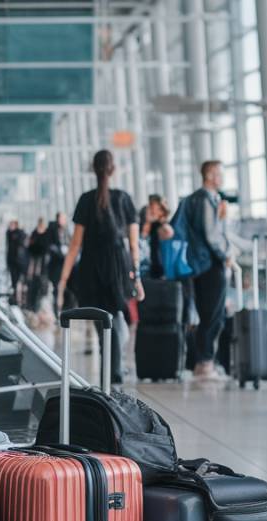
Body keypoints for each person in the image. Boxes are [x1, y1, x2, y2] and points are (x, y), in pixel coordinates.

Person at [58, 150, 143, 384]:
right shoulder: (124, 198)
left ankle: (110, 367)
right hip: (117, 265)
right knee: (116, 317)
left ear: (93, 169)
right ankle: (113, 371)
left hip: (91, 265)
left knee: (101, 319)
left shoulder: (86, 199)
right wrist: (137, 277)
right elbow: (134, 244)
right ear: (113, 169)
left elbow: (75, 245)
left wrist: (63, 280)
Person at [181, 160, 231, 380]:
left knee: (207, 314)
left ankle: (204, 362)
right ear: (210, 174)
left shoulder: (196, 198)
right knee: (214, 316)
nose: (223, 178)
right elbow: (211, 235)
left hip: (199, 265)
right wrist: (226, 255)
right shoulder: (205, 199)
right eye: (220, 173)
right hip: (210, 265)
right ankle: (206, 363)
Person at [142, 195, 174, 279]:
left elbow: (169, 234)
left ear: (161, 210)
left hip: (162, 268)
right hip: (153, 265)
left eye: (152, 208)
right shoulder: (153, 225)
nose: (150, 210)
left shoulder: (164, 226)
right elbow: (144, 235)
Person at [5, 220, 27, 300]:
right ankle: (15, 297)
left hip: (20, 261)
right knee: (14, 280)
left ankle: (22, 298)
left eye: (12, 224)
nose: (11, 226)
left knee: (21, 281)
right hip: (12, 261)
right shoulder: (9, 234)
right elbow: (8, 248)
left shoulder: (20, 233)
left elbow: (22, 242)